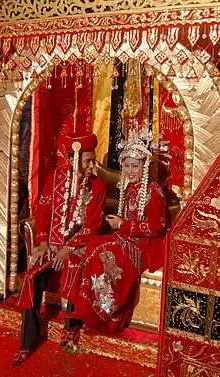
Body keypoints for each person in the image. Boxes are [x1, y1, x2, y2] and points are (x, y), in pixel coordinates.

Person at [12, 119, 106, 366]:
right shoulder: (56, 177)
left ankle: (71, 327)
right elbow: (42, 212)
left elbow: (93, 225)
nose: (92, 165)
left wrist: (69, 247)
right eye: (87, 160)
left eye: (92, 159)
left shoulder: (97, 186)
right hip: (51, 245)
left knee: (75, 265)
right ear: (74, 160)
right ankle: (26, 342)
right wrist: (42, 242)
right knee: (32, 276)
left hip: (78, 246)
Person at [60, 128, 167, 344]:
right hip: (126, 238)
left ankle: (106, 312)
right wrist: (118, 222)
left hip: (144, 247)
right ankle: (86, 309)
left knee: (101, 250)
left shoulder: (154, 191)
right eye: (126, 166)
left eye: (134, 166)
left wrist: (123, 224)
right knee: (92, 244)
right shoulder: (129, 189)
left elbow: (157, 227)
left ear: (144, 167)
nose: (129, 170)